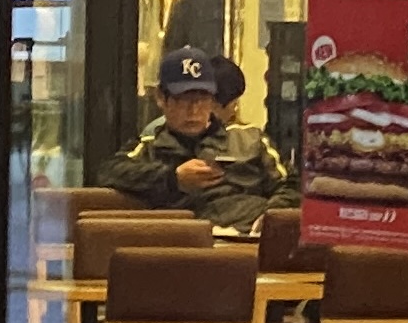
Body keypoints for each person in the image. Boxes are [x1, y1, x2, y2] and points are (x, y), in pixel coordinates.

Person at [98, 46, 291, 230]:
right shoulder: (150, 146)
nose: (194, 110)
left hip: (250, 236)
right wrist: (174, 179)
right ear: (161, 98)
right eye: (183, 99)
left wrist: (271, 217)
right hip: (190, 241)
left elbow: (291, 185)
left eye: (202, 99)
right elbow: (109, 172)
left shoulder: (250, 139)